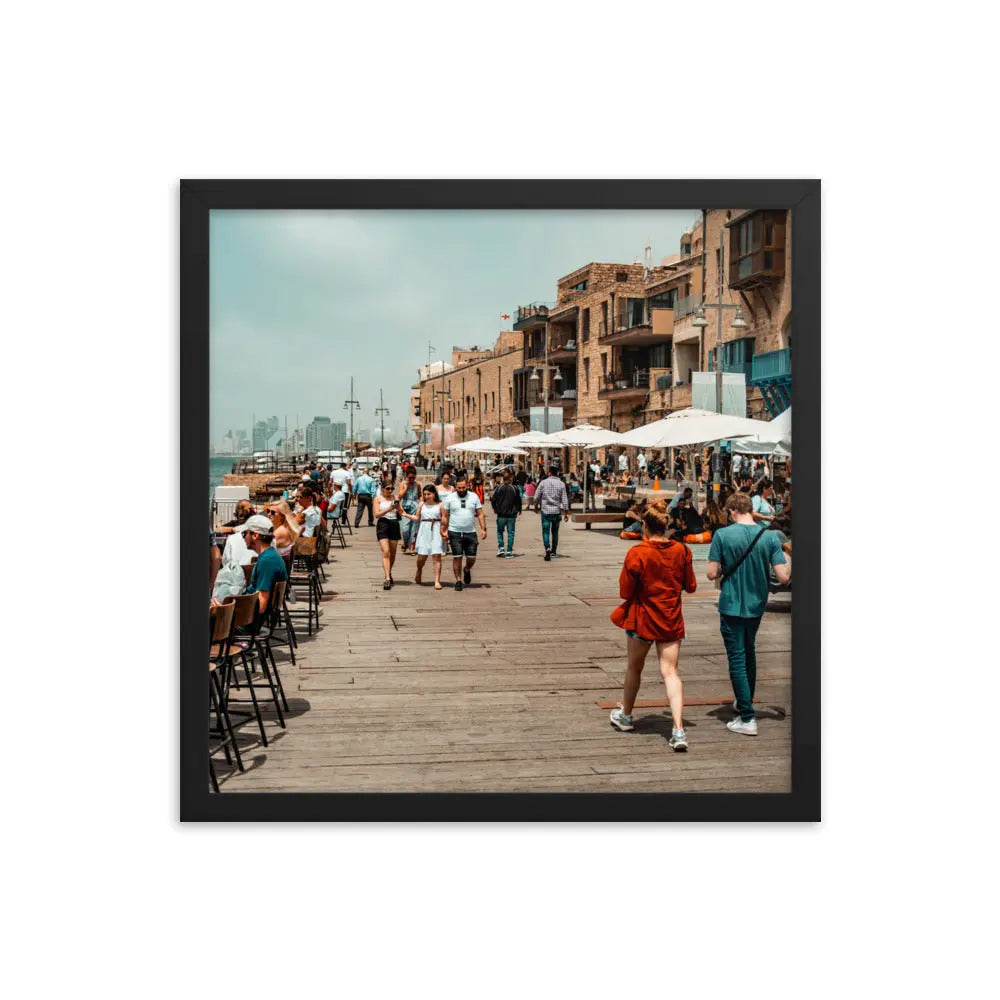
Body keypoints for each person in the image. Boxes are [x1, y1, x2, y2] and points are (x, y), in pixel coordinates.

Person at [608, 499, 696, 750]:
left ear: (644, 526)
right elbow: (690, 586)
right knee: (671, 672)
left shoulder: (637, 553)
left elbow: (625, 592)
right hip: (670, 618)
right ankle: (678, 730)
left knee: (634, 668)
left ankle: (626, 716)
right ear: (665, 526)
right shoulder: (681, 550)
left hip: (642, 618)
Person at [706, 493, 791, 736]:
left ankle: (747, 717)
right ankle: (745, 701)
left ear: (732, 510)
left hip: (732, 604)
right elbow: (783, 577)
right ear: (751, 510)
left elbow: (712, 574)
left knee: (737, 658)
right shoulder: (769, 537)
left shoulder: (722, 535)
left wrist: (724, 564)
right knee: (749, 652)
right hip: (756, 604)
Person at [440, 474, 487, 591]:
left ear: (467, 486)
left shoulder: (474, 497)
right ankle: (458, 581)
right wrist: (443, 529)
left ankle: (467, 569)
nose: (461, 490)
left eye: (463, 487)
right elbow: (445, 516)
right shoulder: (450, 498)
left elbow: (480, 513)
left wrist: (483, 529)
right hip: (454, 531)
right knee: (457, 557)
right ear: (455, 486)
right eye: (459, 488)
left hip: (470, 532)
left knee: (472, 557)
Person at [242, 514, 288, 617]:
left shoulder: (267, 561)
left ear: (255, 535)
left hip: (249, 622)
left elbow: (261, 605)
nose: (244, 537)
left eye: (245, 533)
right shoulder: (269, 556)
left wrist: (229, 612)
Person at [401, 483, 445, 589]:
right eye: (424, 494)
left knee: (436, 556)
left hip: (436, 530)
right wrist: (406, 514)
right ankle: (419, 570)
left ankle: (437, 581)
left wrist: (445, 531)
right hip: (424, 530)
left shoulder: (440, 505)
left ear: (434, 494)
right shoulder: (422, 504)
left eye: (428, 494)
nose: (426, 496)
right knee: (422, 557)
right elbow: (417, 518)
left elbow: (444, 519)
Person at [533, 467, 569, 561]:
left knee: (545, 531)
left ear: (549, 473)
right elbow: (564, 499)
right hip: (557, 512)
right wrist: (566, 512)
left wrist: (535, 505)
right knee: (555, 532)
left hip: (545, 511)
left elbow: (536, 496)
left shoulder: (543, 482)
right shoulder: (561, 484)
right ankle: (553, 551)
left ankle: (547, 548)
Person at [373, 480, 402, 589]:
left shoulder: (395, 498)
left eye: (391, 489)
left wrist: (398, 508)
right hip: (383, 523)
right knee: (386, 551)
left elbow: (400, 511)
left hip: (394, 523)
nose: (390, 491)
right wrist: (389, 508)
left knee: (393, 553)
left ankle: (388, 572)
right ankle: (387, 578)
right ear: (382, 489)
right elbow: (376, 514)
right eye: (387, 488)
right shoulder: (378, 499)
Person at [491, 468, 522, 558]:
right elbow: (518, 500)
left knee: (500, 531)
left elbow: (493, 499)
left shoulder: (499, 488)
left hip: (501, 514)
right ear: (511, 478)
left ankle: (501, 548)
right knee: (511, 533)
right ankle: (509, 551)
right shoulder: (515, 488)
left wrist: (495, 508)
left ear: (502, 479)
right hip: (512, 514)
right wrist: (519, 509)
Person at [395, 467, 421, 554]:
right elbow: (400, 496)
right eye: (410, 478)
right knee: (405, 528)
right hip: (405, 509)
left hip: (415, 508)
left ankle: (411, 547)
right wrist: (406, 488)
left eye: (413, 478)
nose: (412, 480)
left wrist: (421, 502)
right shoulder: (403, 484)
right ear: (406, 476)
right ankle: (405, 542)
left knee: (414, 529)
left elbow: (420, 496)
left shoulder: (417, 485)